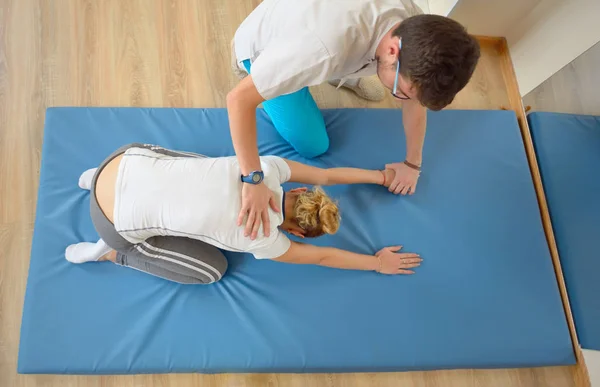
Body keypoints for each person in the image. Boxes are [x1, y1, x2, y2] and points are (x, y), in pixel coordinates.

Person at [228, 0, 480, 239]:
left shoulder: (417, 26)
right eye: (400, 92)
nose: (402, 98)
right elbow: (238, 100)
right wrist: (253, 180)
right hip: (265, 51)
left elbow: (415, 99)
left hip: (328, 46)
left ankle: (344, 73)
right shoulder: (321, 48)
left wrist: (412, 164)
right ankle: (274, 84)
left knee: (347, 64)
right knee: (313, 145)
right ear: (393, 52)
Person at [65, 143, 422, 284]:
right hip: (111, 224)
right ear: (297, 232)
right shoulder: (267, 240)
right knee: (212, 271)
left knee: (215, 168)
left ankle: (91, 178)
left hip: (120, 157)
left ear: (300, 191)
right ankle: (112, 254)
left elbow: (327, 175)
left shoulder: (269, 169)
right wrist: (376, 264)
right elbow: (324, 256)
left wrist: (382, 177)